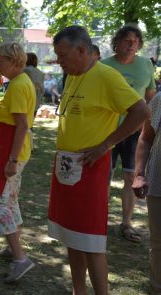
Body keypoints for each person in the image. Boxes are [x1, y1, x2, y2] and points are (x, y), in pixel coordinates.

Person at [48, 25, 150, 294]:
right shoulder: (72, 75)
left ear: (82, 50)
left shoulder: (106, 75)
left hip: (90, 168)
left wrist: (107, 144)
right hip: (66, 166)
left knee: (91, 240)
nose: (60, 62)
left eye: (63, 55)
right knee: (72, 236)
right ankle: (78, 290)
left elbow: (141, 110)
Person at [101, 24, 156, 243]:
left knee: (130, 177)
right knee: (104, 177)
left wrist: (148, 127)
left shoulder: (145, 65)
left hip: (135, 131)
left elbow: (150, 96)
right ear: (117, 42)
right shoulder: (104, 66)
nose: (131, 44)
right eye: (127, 40)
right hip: (108, 130)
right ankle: (99, 221)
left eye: (135, 40)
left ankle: (126, 223)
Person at [0, 42, 36, 283]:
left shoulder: (18, 86)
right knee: (11, 200)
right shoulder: (20, 82)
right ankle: (12, 247)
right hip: (10, 150)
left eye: (1, 60)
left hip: (11, 152)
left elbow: (22, 126)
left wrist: (11, 160)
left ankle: (20, 259)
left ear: (14, 60)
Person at [132, 92, 161, 294]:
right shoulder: (160, 99)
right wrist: (139, 173)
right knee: (159, 244)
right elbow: (145, 138)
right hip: (159, 183)